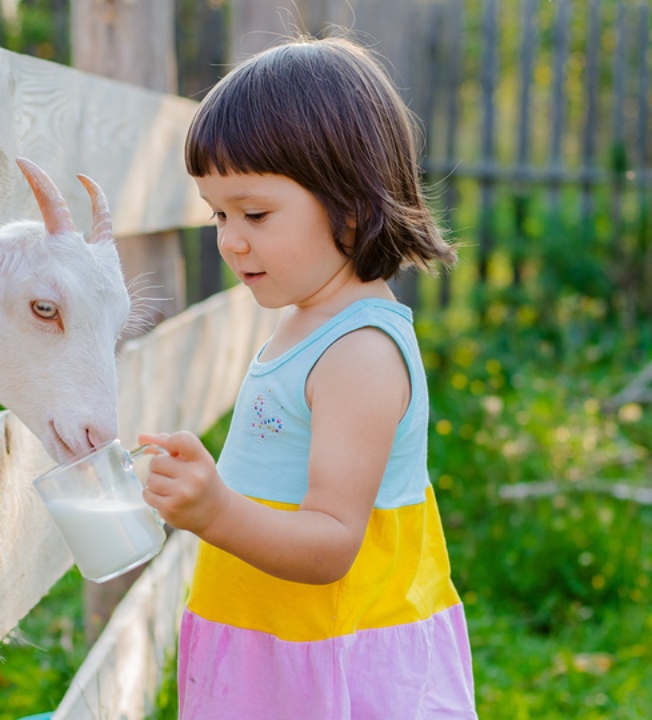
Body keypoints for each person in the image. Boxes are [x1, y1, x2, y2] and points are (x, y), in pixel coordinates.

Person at [138, 35, 477, 718]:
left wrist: (216, 512)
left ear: (350, 205)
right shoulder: (308, 320)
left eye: (255, 214)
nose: (230, 239)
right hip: (274, 640)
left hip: (331, 657)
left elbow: (330, 544)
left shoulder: (360, 354)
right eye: (219, 214)